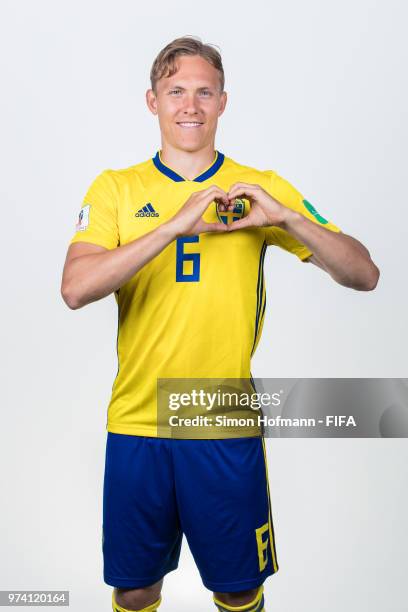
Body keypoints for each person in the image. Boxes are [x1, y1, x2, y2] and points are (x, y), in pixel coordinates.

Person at [61, 36, 379, 612]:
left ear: (223, 102)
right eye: (175, 91)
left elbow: (363, 274)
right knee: (134, 588)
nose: (190, 105)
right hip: (138, 417)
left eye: (204, 91)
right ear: (151, 101)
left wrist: (284, 217)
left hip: (220, 413)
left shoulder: (258, 188)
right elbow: (76, 289)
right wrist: (172, 226)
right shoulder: (116, 187)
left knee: (237, 586)